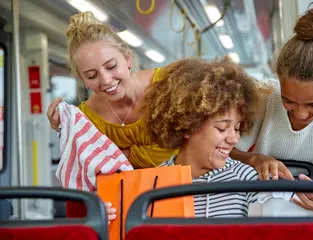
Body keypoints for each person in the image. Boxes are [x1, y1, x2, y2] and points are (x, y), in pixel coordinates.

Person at [230, 4, 313, 215]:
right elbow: (224, 152)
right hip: (262, 210)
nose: (300, 114)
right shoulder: (267, 95)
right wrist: (254, 159)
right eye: (288, 100)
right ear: (279, 81)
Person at [46, 11, 177, 170]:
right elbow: (92, 167)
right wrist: (66, 130)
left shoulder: (169, 85)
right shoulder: (85, 118)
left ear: (127, 59)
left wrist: (124, 156)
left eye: (111, 66)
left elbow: (184, 143)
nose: (106, 80)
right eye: (92, 75)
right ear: (83, 80)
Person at [141, 57, 262, 218]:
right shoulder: (154, 183)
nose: (234, 139)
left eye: (237, 128)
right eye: (222, 128)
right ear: (187, 126)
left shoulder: (247, 180)